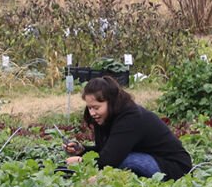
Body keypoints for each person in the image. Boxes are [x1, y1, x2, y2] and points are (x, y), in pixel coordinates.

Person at [64, 75, 193, 179]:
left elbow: (110, 159)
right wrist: (82, 150)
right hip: (148, 158)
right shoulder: (104, 117)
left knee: (124, 161)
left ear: (111, 102)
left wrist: (82, 161)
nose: (92, 113)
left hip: (174, 167)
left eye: (96, 107)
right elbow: (106, 150)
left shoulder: (130, 118)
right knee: (118, 161)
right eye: (89, 107)